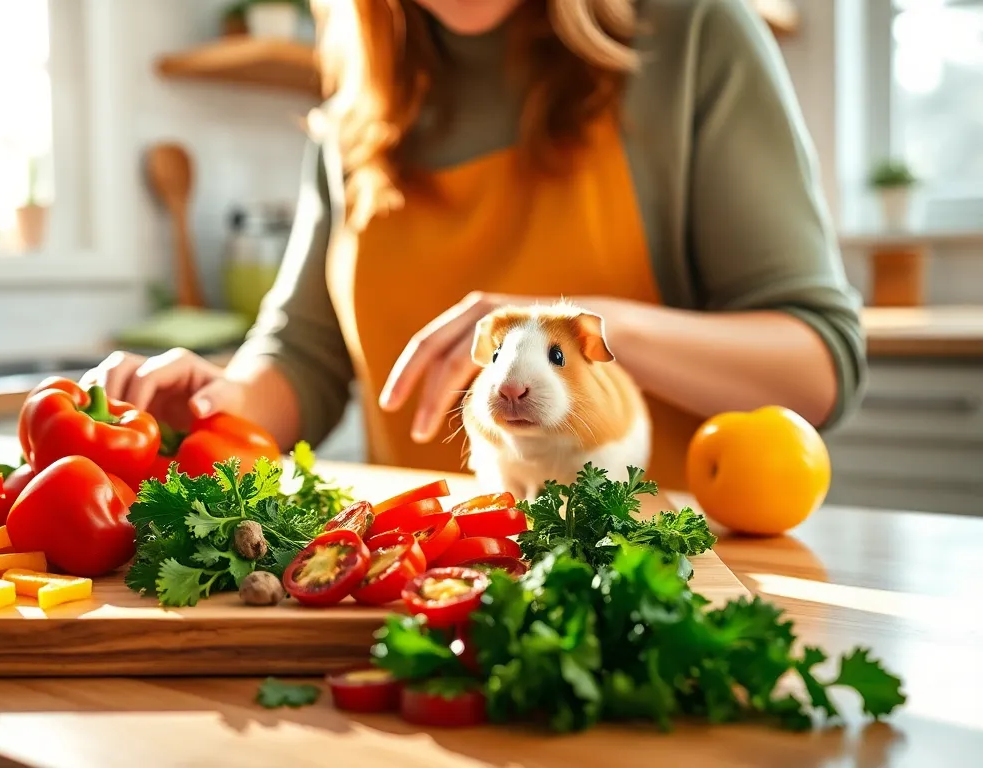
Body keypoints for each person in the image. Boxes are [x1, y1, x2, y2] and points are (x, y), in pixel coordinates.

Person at [86, 0, 865, 491]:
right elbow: (305, 361)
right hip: (419, 591)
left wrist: (567, 329)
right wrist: (216, 401)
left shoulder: (695, 35)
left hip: (646, 591)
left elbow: (815, 367)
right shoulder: (356, 108)